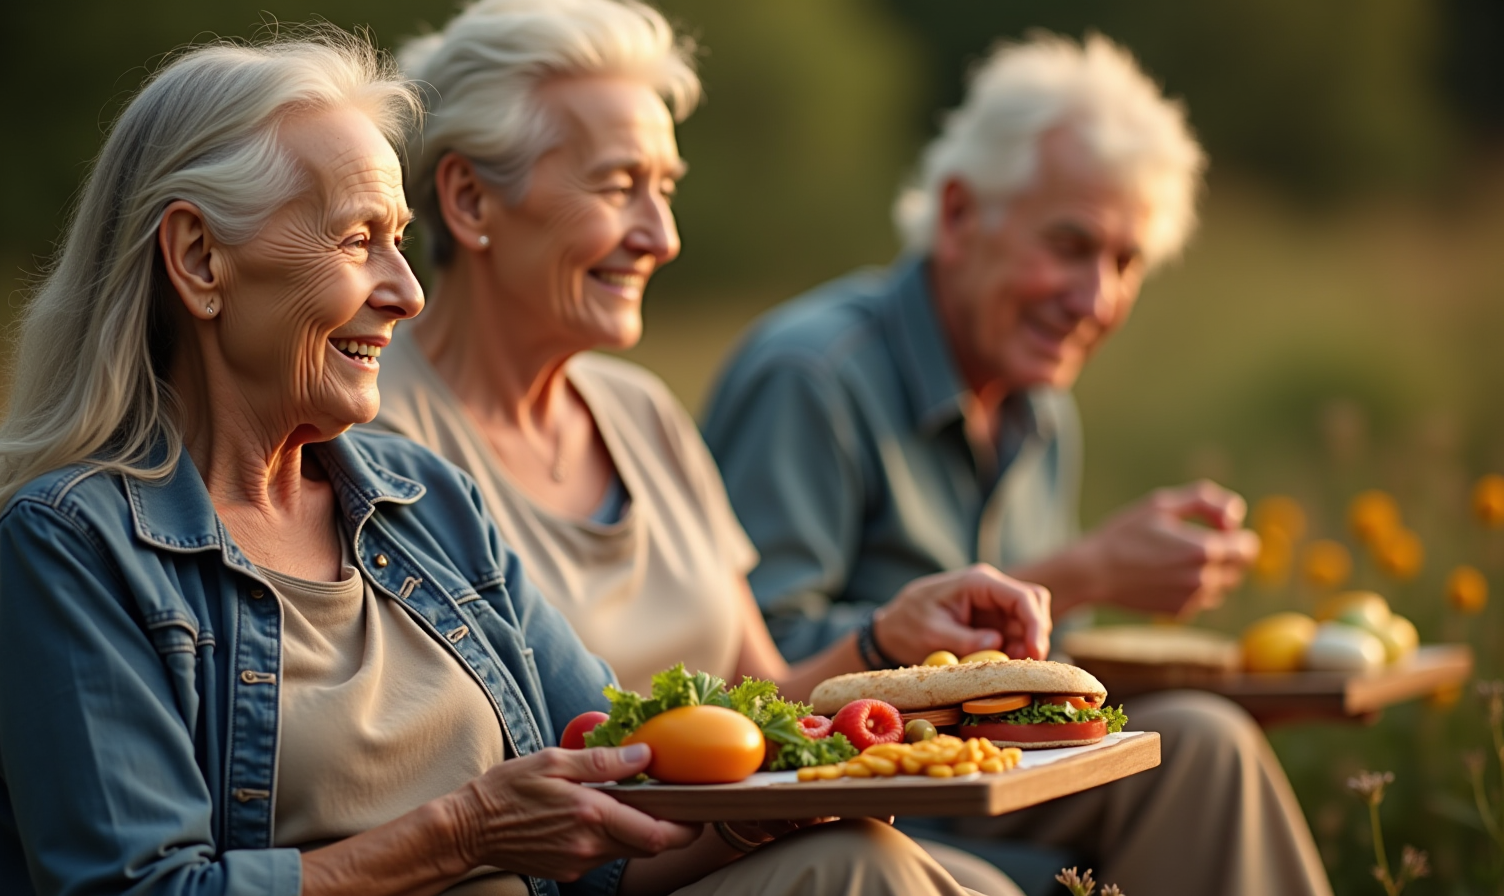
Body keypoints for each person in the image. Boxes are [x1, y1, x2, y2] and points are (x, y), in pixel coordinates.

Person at [0, 29, 979, 896]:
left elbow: (615, 799)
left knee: (855, 853)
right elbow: (140, 885)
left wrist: (781, 799)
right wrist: (462, 832)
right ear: (199, 260)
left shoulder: (421, 499)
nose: (406, 288)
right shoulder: (78, 548)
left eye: (402, 240)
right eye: (359, 239)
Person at [374, 4, 1044, 892]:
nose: (662, 236)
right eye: (618, 186)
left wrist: (886, 639)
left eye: (667, 187)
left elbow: (764, 697)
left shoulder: (641, 412)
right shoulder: (378, 441)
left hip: (718, 852)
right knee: (862, 870)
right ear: (467, 198)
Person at [702, 34, 1333, 896]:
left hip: (989, 787)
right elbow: (749, 677)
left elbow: (1029, 683)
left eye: (1126, 261)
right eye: (1070, 246)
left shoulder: (1041, 406)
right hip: (852, 813)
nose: (1098, 298)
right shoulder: (812, 377)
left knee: (1206, 737)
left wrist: (1258, 681)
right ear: (959, 215)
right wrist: (1090, 568)